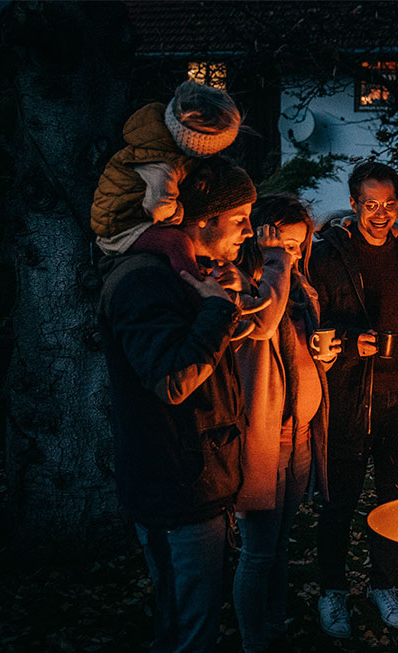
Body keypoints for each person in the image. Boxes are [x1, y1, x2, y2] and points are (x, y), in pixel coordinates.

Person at [96, 156, 256, 652]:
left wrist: (226, 299)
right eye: (241, 219)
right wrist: (214, 309)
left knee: (196, 616)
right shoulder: (144, 280)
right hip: (175, 486)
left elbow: (211, 344)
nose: (249, 232)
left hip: (197, 481)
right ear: (205, 218)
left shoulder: (183, 272)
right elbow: (172, 380)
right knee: (186, 627)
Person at [307, 161, 398, 638]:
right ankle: (333, 591)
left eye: (389, 203)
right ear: (355, 203)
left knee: (393, 502)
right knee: (338, 504)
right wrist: (346, 339)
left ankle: (383, 584)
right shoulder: (328, 254)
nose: (381, 213)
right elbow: (308, 320)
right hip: (347, 397)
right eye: (371, 204)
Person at [226, 196, 341, 652]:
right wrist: (274, 261)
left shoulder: (299, 286)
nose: (292, 254)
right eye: (282, 244)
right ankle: (256, 641)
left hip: (300, 436)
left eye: (297, 245)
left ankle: (274, 626)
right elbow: (265, 324)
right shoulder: (244, 284)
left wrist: (322, 360)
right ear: (258, 236)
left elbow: (295, 352)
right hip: (262, 437)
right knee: (257, 550)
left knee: (280, 542)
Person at [92, 80, 244, 255]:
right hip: (120, 229)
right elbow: (159, 206)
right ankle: (195, 282)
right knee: (177, 243)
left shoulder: (161, 139)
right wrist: (179, 213)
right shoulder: (163, 164)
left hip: (127, 216)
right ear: (199, 147)